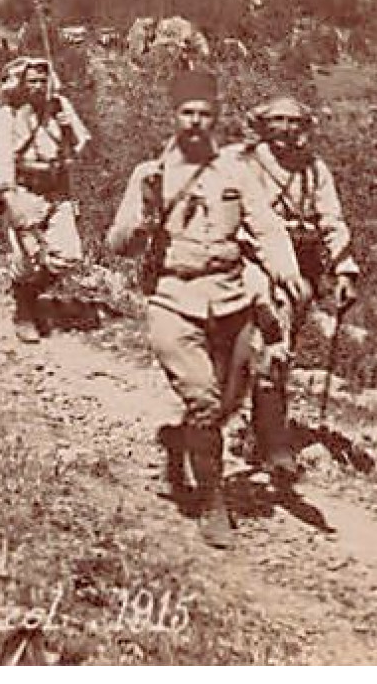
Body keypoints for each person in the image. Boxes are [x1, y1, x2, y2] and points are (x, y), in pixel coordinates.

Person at [107, 69, 306, 549]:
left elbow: (267, 227)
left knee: (228, 405)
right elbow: (117, 243)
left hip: (232, 301)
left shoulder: (236, 173)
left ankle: (182, 445)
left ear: (216, 119)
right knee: (204, 401)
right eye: (187, 113)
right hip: (174, 300)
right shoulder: (150, 176)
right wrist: (141, 229)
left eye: (204, 114)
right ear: (174, 117)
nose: (195, 122)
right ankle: (212, 501)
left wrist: (286, 270)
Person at [227, 95, 360, 489]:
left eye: (294, 122)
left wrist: (344, 268)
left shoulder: (315, 171)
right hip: (252, 258)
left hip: (302, 265)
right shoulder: (244, 162)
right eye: (278, 121)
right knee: (274, 340)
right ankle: (274, 444)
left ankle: (261, 424)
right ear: (263, 125)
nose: (287, 130)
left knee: (283, 346)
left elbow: (332, 219)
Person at [0, 57, 89, 342]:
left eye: (43, 80)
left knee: (68, 254)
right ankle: (24, 311)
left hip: (57, 191)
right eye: (32, 80)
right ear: (22, 83)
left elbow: (80, 146)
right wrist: (8, 197)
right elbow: (1, 158)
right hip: (23, 191)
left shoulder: (60, 106)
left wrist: (68, 128)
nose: (38, 86)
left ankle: (29, 297)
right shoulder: (9, 114)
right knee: (26, 258)